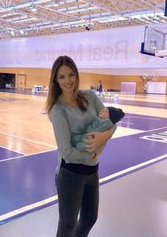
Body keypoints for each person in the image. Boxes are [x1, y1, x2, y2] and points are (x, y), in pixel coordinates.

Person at [45, 56, 116, 237]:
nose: (68, 81)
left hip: (92, 172)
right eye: (61, 77)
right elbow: (67, 152)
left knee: (90, 218)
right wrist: (93, 153)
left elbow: (112, 121)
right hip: (70, 174)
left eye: (71, 75)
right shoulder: (57, 110)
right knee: (68, 225)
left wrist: (104, 137)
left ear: (76, 75)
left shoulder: (90, 97)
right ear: (55, 80)